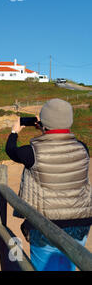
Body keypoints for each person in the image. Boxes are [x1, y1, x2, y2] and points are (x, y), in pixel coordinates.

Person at [5, 98, 91, 271]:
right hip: (81, 221)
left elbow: (11, 150)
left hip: (47, 224)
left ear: (44, 122)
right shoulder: (82, 148)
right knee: (68, 266)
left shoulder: (32, 152)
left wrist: (14, 131)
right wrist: (47, 128)